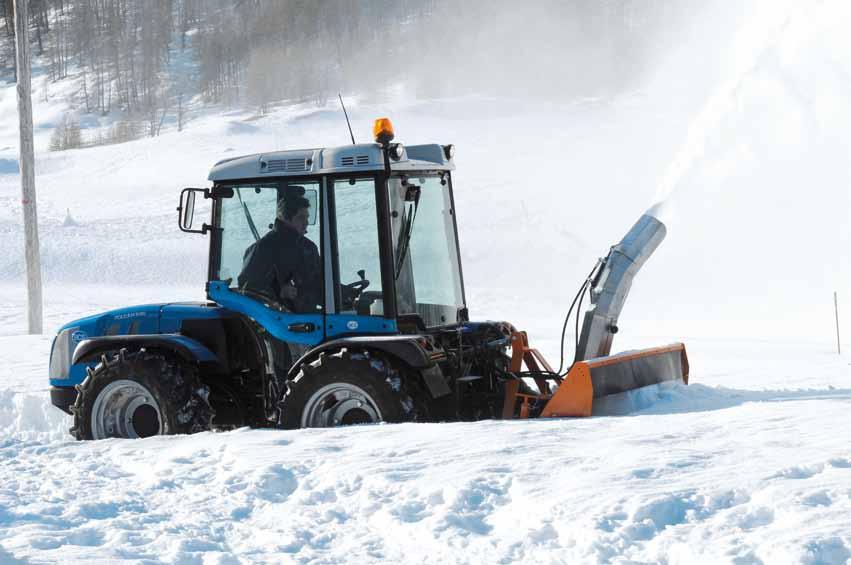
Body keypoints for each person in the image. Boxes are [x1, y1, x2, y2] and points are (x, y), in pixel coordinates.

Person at [237, 189, 321, 313]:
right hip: (278, 322)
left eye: (307, 217)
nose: (306, 223)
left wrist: (346, 294)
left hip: (310, 320)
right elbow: (247, 290)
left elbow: (319, 283)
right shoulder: (264, 248)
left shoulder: (309, 248)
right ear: (285, 218)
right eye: (301, 218)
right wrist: (280, 291)